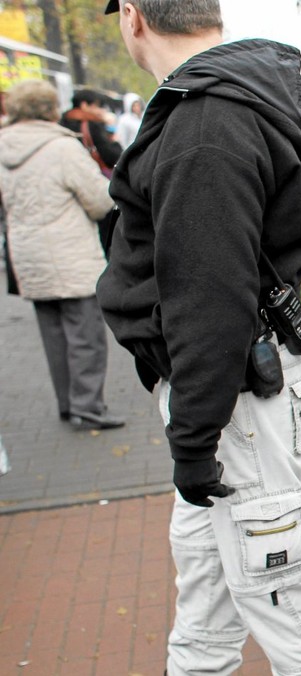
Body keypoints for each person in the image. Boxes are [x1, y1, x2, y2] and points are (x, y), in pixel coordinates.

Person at [98, 1, 301, 674]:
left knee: (288, 605)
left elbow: (210, 305)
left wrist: (193, 438)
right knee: (211, 597)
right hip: (241, 395)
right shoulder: (226, 99)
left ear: (133, 15)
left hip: (236, 401)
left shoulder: (204, 124)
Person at [0, 79, 123, 431]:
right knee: (85, 337)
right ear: (50, 108)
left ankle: (68, 404)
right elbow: (100, 201)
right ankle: (89, 407)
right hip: (69, 253)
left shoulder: (3, 146)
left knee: (53, 336)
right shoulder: (62, 148)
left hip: (26, 256)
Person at [59, 88, 123, 173]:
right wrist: (114, 139)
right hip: (88, 174)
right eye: (97, 106)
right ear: (84, 105)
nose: (100, 111)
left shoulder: (61, 122)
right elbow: (112, 157)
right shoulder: (93, 125)